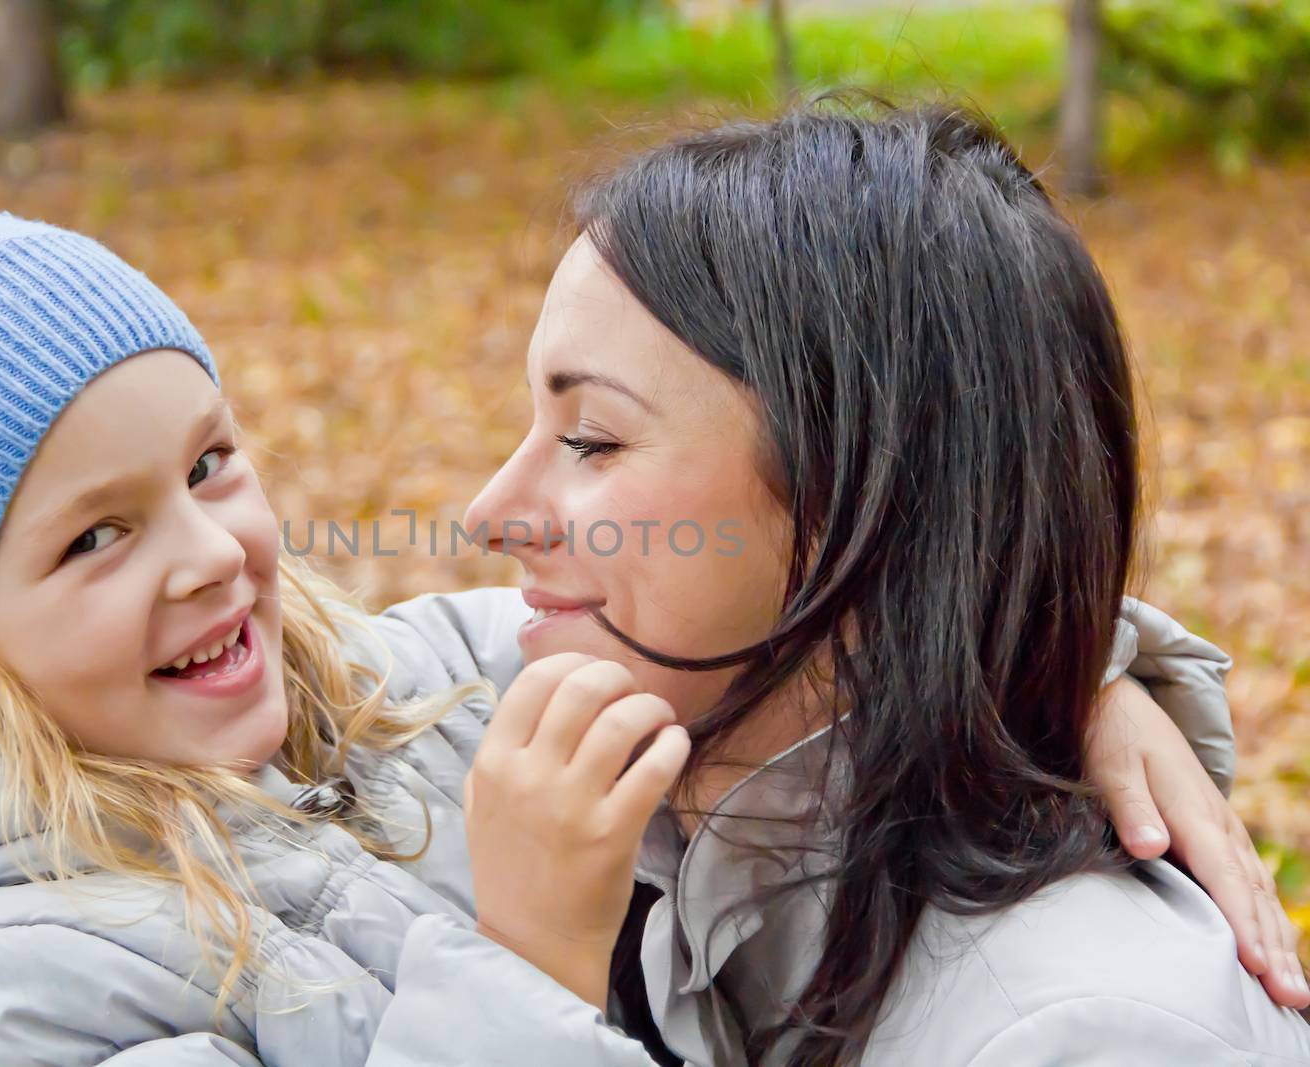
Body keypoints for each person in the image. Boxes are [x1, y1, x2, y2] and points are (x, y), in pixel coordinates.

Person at [0, 198, 1290, 1067]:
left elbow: (803, 602)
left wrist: (1072, 674)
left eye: (208, 464)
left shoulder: (373, 702)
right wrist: (525, 964)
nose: (212, 556)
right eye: (93, 537)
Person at [383, 104, 1310, 1065]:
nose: (490, 513)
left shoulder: (1092, 1035)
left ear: (862, 498)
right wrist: (1062, 664)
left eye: (591, 440)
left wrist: (523, 984)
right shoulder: (645, 767)